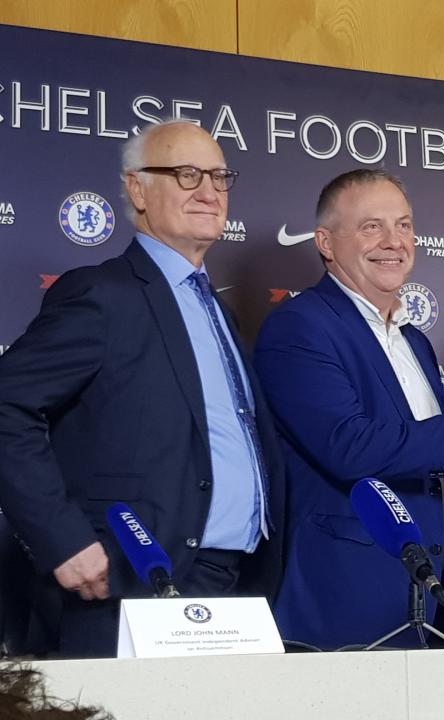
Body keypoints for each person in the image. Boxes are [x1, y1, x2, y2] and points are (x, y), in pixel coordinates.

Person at [0, 120, 285, 658]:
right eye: (185, 174)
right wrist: (63, 540)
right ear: (137, 189)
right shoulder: (102, 294)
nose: (208, 191)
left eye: (220, 176)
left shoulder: (215, 308)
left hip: (234, 587)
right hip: (130, 583)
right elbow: (6, 405)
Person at [254, 169, 444, 649]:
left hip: (437, 598)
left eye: (404, 225)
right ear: (325, 242)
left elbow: (432, 467)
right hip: (351, 600)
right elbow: (351, 446)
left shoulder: (414, 342)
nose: (394, 241)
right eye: (371, 226)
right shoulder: (299, 328)